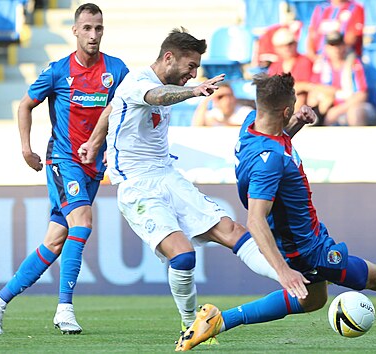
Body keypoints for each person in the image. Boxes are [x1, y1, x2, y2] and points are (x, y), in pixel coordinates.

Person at [174, 73, 376, 351]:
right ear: (284, 107)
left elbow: (276, 137)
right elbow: (255, 219)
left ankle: (220, 320)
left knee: (312, 301)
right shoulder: (270, 159)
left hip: (304, 237)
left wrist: (296, 124)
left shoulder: (251, 126)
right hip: (308, 249)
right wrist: (284, 271)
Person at [77, 27, 279, 337]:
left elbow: (111, 108)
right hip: (138, 185)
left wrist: (94, 142)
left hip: (168, 175)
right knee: (183, 255)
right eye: (190, 66)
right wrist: (194, 91)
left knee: (233, 231)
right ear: (169, 57)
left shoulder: (139, 88)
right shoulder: (139, 82)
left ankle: (289, 277)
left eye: (196, 69)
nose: (193, 73)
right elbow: (156, 97)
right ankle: (191, 325)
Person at [0, 3, 129, 335]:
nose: (93, 34)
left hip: (92, 167)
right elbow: (25, 104)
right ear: (75, 31)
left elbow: (127, 109)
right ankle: (64, 308)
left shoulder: (116, 70)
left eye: (99, 28)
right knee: (84, 222)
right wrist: (25, 148)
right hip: (64, 160)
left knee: (55, 241)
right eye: (87, 28)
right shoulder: (59, 71)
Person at [307, 31, 375, 126]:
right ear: (326, 48)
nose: (336, 49)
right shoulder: (321, 65)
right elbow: (314, 89)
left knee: (355, 113)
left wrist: (338, 110)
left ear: (344, 46)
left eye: (339, 45)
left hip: (351, 105)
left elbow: (362, 95)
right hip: (329, 105)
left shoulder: (355, 63)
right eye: (332, 45)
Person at [267, 27, 313, 111]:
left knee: (299, 98)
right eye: (282, 46)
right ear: (276, 48)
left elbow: (306, 86)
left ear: (295, 44)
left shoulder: (304, 61)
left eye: (290, 44)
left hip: (301, 102)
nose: (286, 48)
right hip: (281, 102)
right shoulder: (275, 66)